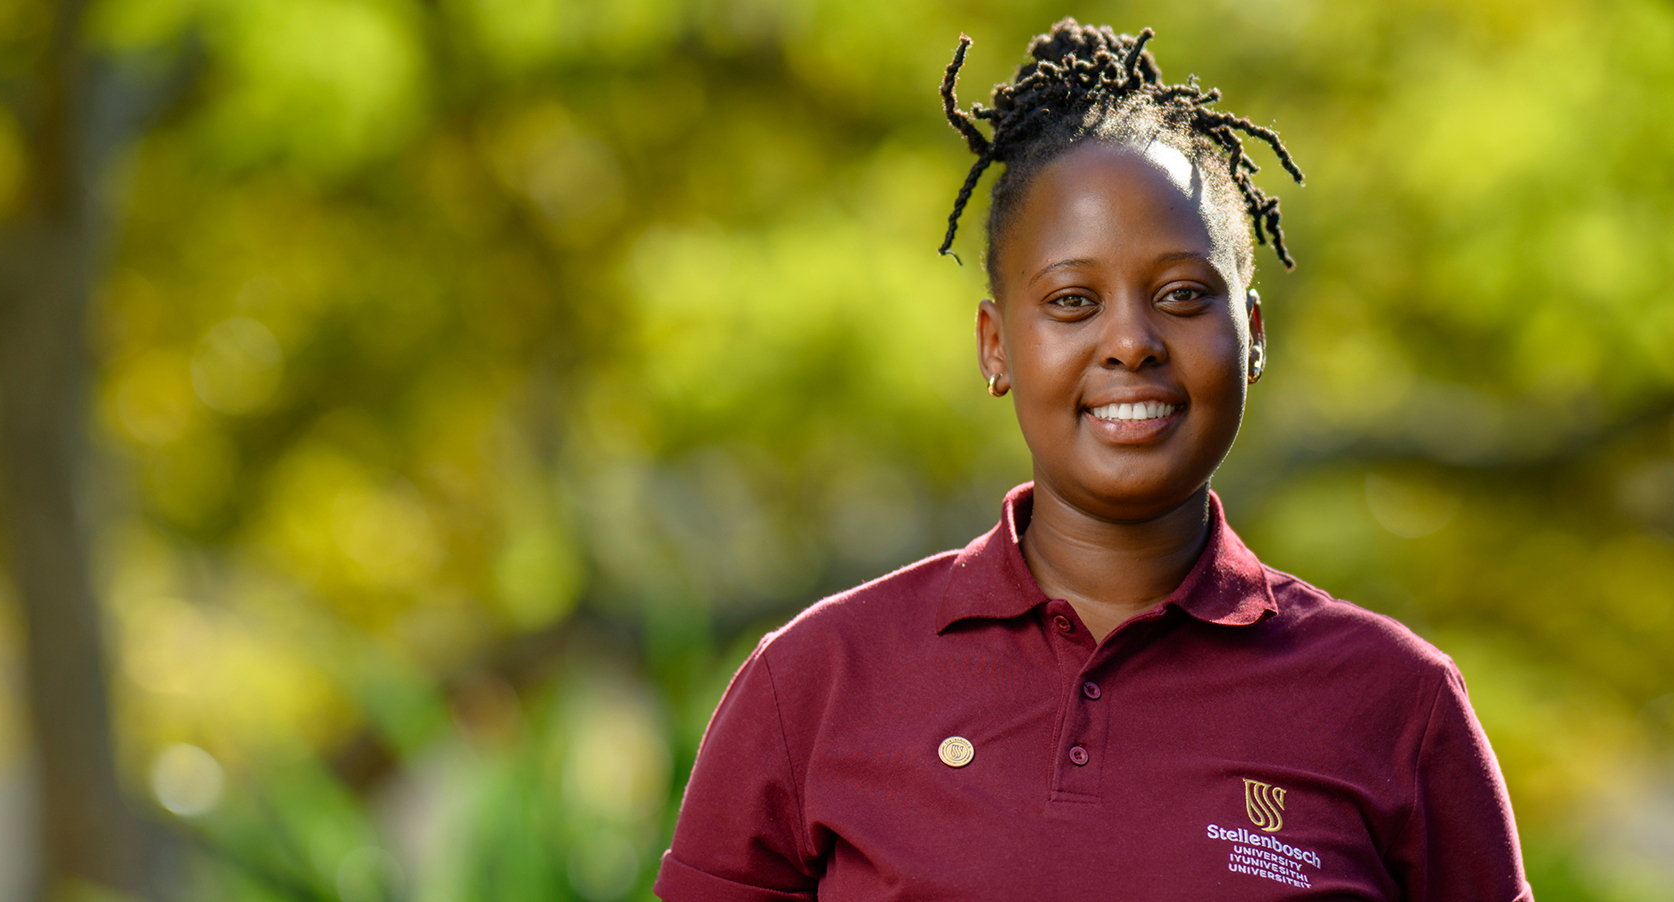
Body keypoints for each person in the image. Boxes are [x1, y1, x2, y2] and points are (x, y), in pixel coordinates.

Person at [655, 19, 1530, 901]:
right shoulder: (815, 680)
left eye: (1183, 295)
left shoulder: (1397, 703)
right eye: (1071, 300)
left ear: (1252, 337)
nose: (1129, 343)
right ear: (996, 347)